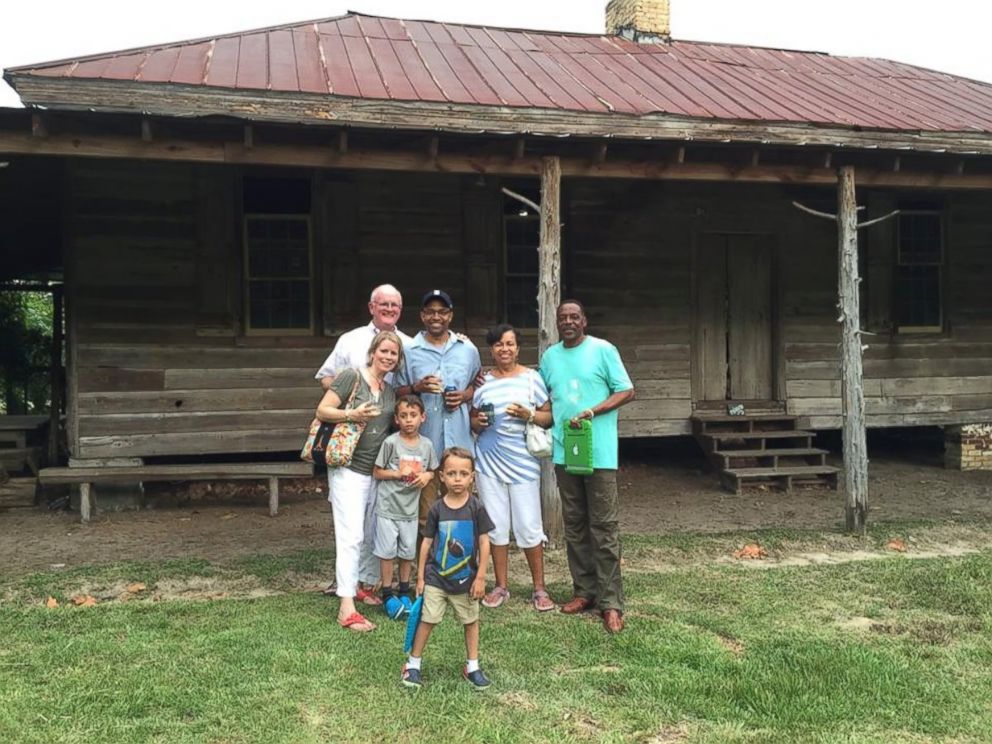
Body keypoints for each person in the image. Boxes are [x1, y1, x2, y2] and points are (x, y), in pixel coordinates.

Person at [539, 300, 635, 634]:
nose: (568, 322)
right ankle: (584, 591)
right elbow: (549, 401)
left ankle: (611, 603)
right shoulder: (550, 358)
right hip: (566, 454)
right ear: (557, 322)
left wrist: (594, 411)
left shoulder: (603, 350)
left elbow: (626, 390)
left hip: (600, 454)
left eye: (574, 317)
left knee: (604, 527)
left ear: (584, 321)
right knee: (575, 524)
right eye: (562, 317)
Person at [314, 284, 412, 603]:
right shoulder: (350, 342)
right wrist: (351, 403)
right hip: (349, 458)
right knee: (352, 530)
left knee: (373, 523)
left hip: (380, 457)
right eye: (383, 303)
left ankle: (366, 583)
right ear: (371, 306)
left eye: (394, 305)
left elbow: (400, 398)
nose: (389, 309)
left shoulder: (401, 358)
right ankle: (347, 593)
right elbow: (327, 383)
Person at [316, 332, 402, 632]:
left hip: (374, 471)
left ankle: (361, 586)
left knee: (367, 533)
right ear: (373, 351)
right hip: (348, 468)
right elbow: (323, 410)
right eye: (384, 351)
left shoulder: (389, 392)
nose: (388, 357)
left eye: (394, 354)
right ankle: (346, 606)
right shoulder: (352, 377)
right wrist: (352, 414)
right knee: (350, 535)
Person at [469, 324, 555, 612]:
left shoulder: (532, 379)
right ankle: (501, 586)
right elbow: (472, 418)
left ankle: (540, 589)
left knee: (529, 526)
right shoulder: (482, 383)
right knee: (496, 527)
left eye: (509, 344)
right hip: (488, 462)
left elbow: (548, 416)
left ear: (518, 348)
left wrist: (528, 414)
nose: (504, 349)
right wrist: (477, 422)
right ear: (491, 349)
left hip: (523, 464)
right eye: (498, 345)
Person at [402, 447, 494, 690]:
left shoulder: (476, 508)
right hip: (436, 580)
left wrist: (481, 576)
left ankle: (472, 666)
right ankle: (413, 664)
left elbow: (485, 543)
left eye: (463, 474)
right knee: (427, 620)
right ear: (441, 476)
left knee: (471, 621)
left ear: (472, 477)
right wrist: (420, 577)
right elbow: (427, 544)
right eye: (451, 473)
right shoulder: (436, 509)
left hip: (467, 580)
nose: (457, 479)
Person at [395, 290, 481, 527]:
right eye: (430, 312)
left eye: (442, 312)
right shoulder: (410, 350)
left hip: (460, 442)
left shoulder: (468, 350)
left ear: (450, 316)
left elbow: (478, 383)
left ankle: (461, 562)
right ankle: (426, 562)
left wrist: (464, 395)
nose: (436, 317)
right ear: (422, 316)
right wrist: (417, 387)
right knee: (426, 514)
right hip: (424, 443)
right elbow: (396, 391)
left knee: (462, 511)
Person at [372, 395, 437, 618]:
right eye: (403, 416)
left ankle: (404, 590)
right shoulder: (391, 443)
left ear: (423, 417)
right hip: (388, 507)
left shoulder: (427, 445)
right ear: (397, 419)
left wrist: (427, 475)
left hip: (410, 510)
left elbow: (432, 470)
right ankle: (388, 594)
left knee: (408, 551)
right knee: (387, 551)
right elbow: (377, 471)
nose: (409, 420)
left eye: (413, 415)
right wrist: (398, 473)